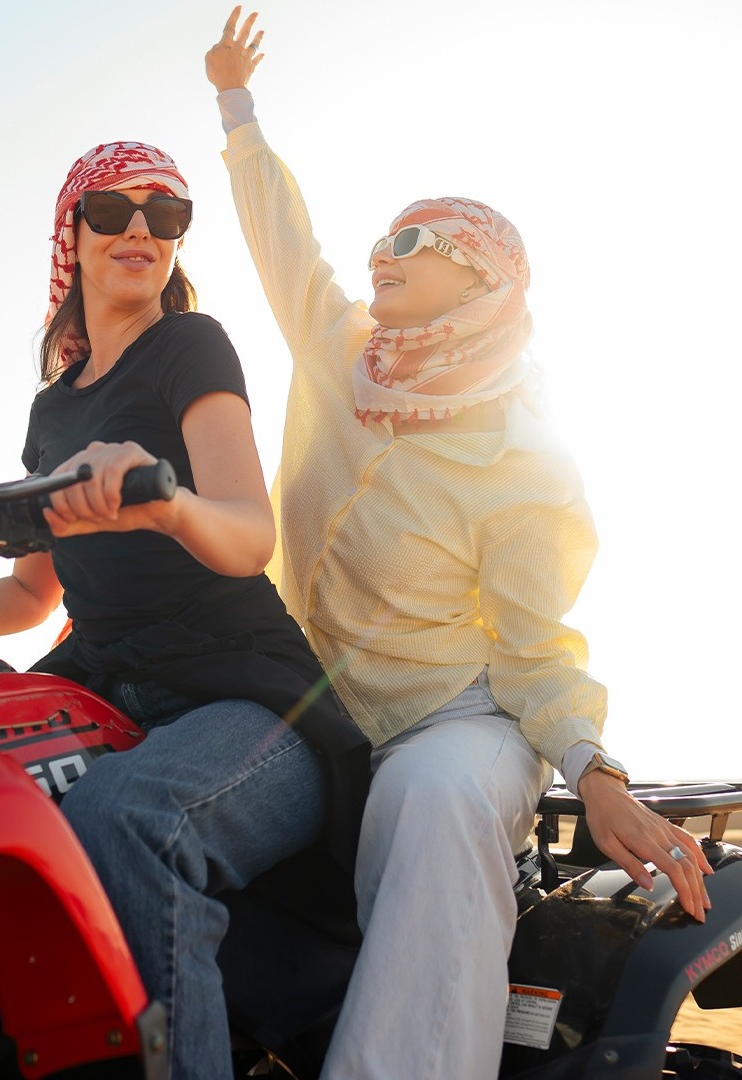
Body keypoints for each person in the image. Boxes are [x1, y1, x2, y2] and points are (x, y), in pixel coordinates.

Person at [205, 10, 714, 1078]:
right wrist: (235, 106)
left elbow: (535, 647)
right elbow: (278, 233)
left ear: (483, 280)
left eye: (409, 243)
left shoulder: (530, 459)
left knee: (429, 801)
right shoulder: (342, 351)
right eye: (381, 238)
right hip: (315, 708)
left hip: (457, 719)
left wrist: (596, 768)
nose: (376, 257)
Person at [0, 139, 369, 1080]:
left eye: (165, 215)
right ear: (72, 234)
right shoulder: (53, 414)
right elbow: (31, 593)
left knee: (129, 818)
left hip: (247, 697)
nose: (140, 229)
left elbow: (249, 533)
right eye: (114, 211)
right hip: (109, 693)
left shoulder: (191, 346)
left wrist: (162, 502)